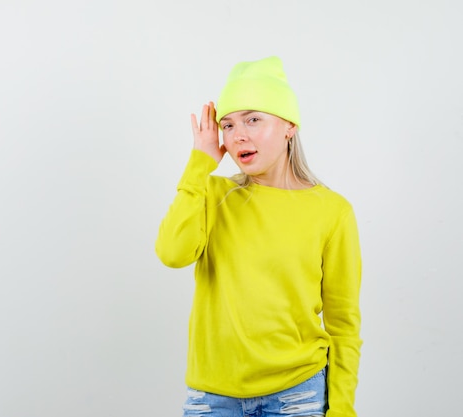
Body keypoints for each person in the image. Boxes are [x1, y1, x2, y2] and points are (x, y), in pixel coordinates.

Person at [155, 56, 362, 417]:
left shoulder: (333, 211)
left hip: (297, 395)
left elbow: (343, 322)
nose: (238, 136)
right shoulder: (212, 194)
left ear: (289, 126)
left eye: (253, 119)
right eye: (228, 125)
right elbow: (172, 253)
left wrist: (342, 408)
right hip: (213, 397)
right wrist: (199, 163)